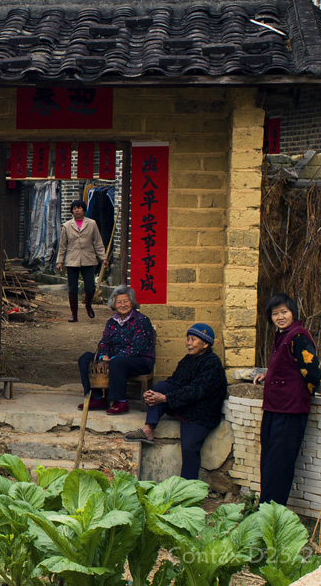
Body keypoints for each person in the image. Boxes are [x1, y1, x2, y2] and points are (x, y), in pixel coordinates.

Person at [124, 323, 227, 480]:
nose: (188, 343)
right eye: (187, 339)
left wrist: (166, 398)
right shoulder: (188, 360)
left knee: (189, 448)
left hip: (201, 412)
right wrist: (153, 395)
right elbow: (174, 382)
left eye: (193, 340)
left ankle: (187, 489)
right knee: (160, 386)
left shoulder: (212, 363)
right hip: (184, 404)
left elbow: (196, 391)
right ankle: (148, 429)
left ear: (205, 344)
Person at [254, 293, 321, 506]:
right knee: (269, 461)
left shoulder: (298, 336)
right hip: (275, 408)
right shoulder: (283, 335)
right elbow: (288, 366)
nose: (280, 317)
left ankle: (273, 512)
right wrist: (269, 374)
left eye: (284, 312)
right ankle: (264, 509)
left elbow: (312, 373)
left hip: (290, 411)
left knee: (279, 464)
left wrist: (300, 395)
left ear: (293, 313)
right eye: (275, 314)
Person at [77, 285, 155, 415]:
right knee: (85, 358)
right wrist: (103, 356)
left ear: (132, 302)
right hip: (116, 360)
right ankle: (95, 397)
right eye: (119, 302)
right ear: (114, 303)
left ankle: (120, 401)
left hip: (140, 360)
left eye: (126, 301)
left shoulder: (142, 320)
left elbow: (138, 347)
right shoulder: (112, 322)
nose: (123, 305)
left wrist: (112, 359)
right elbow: (105, 342)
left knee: (117, 362)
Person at [56, 200, 108, 322]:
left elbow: (98, 242)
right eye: (74, 208)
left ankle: (88, 305)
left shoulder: (92, 224)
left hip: (88, 259)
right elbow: (63, 245)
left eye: (79, 208)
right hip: (72, 260)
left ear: (84, 210)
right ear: (72, 211)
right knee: (72, 289)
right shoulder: (67, 226)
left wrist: (103, 257)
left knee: (90, 287)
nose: (77, 210)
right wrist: (60, 261)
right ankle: (74, 314)